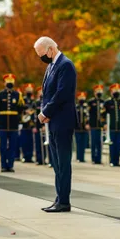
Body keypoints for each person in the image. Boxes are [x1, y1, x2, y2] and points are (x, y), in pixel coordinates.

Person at [35, 36, 77, 213]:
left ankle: (64, 201)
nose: (42, 58)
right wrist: (44, 110)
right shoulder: (51, 66)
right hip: (53, 122)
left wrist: (46, 112)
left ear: (51, 49)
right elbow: (47, 93)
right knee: (56, 163)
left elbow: (62, 94)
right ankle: (59, 197)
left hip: (62, 121)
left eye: (42, 54)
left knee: (63, 162)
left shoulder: (65, 65)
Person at [0, 74, 24, 172]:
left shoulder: (18, 95)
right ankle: (3, 165)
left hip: (14, 124)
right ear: (4, 83)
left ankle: (10, 165)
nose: (10, 83)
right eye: (8, 81)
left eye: (11, 81)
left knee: (12, 146)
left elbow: (21, 110)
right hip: (2, 124)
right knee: (2, 146)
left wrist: (20, 122)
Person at [104, 83, 120, 167]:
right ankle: (112, 160)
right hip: (111, 127)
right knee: (112, 145)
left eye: (117, 90)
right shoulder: (108, 102)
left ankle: (117, 161)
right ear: (111, 92)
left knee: (118, 145)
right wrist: (104, 124)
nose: (116, 92)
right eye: (114, 90)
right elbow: (103, 114)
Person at [87, 85, 105, 164]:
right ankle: (94, 158)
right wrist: (87, 123)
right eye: (97, 91)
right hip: (93, 125)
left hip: (100, 126)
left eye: (100, 91)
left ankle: (99, 159)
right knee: (93, 143)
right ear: (94, 92)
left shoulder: (103, 102)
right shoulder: (91, 102)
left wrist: (104, 123)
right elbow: (87, 114)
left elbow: (104, 114)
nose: (99, 92)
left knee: (99, 143)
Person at [20, 83, 35, 163]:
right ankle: (25, 156)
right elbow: (20, 109)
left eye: (30, 90)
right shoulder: (23, 100)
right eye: (28, 90)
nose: (29, 91)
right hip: (24, 124)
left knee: (30, 142)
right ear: (25, 91)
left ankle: (30, 156)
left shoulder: (33, 101)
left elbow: (35, 112)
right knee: (24, 141)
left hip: (31, 124)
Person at [75, 91, 89, 163]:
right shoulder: (76, 107)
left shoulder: (86, 107)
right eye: (81, 97)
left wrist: (87, 124)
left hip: (84, 128)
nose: (82, 98)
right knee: (78, 143)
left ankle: (82, 157)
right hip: (77, 128)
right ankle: (78, 157)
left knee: (83, 144)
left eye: (83, 97)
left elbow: (88, 117)